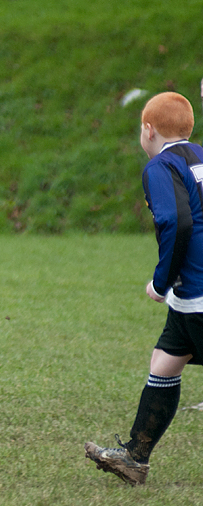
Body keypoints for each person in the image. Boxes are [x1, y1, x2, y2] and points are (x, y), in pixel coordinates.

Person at [85, 92, 203, 485]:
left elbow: (177, 223)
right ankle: (135, 458)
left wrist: (161, 281)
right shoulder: (199, 156)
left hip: (197, 291)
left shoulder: (160, 167)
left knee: (169, 357)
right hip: (191, 297)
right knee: (166, 360)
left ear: (148, 130)